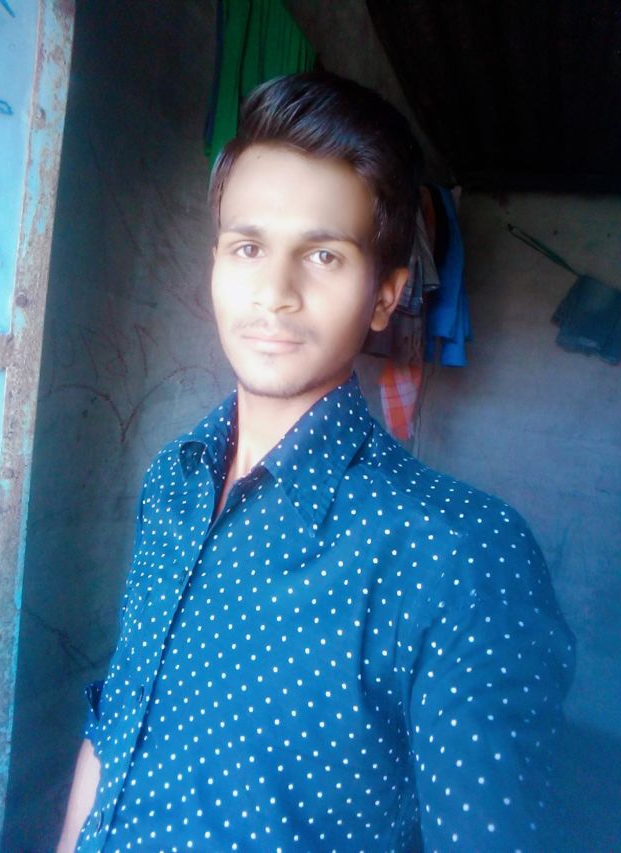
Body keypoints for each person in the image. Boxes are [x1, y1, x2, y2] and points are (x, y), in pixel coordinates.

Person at [58, 72, 574, 852]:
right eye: (248, 247)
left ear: (385, 296)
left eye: (324, 255)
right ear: (216, 261)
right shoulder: (174, 479)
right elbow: (119, 716)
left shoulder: (456, 554)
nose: (275, 292)